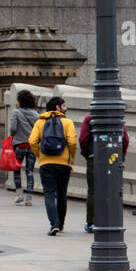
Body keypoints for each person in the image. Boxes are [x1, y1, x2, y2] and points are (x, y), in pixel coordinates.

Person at [29, 96, 77, 236]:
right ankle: (61, 224)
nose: (65, 108)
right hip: (64, 164)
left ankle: (53, 224)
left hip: (46, 163)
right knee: (62, 194)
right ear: (57, 107)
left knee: (49, 194)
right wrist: (70, 158)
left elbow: (32, 141)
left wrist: (40, 156)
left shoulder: (40, 122)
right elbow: (73, 142)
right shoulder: (67, 122)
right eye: (63, 106)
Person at [80, 111, 130, 233]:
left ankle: (92, 222)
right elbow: (125, 139)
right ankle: (112, 219)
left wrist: (88, 154)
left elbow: (83, 139)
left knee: (93, 190)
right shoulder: (116, 117)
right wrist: (121, 156)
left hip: (95, 158)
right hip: (113, 158)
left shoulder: (89, 118)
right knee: (112, 190)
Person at [9, 89, 40, 205]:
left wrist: (13, 135)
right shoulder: (36, 114)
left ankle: (19, 194)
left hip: (19, 145)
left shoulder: (15, 113)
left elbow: (12, 129)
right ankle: (29, 198)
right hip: (31, 146)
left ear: (20, 101)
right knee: (29, 171)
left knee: (16, 169)